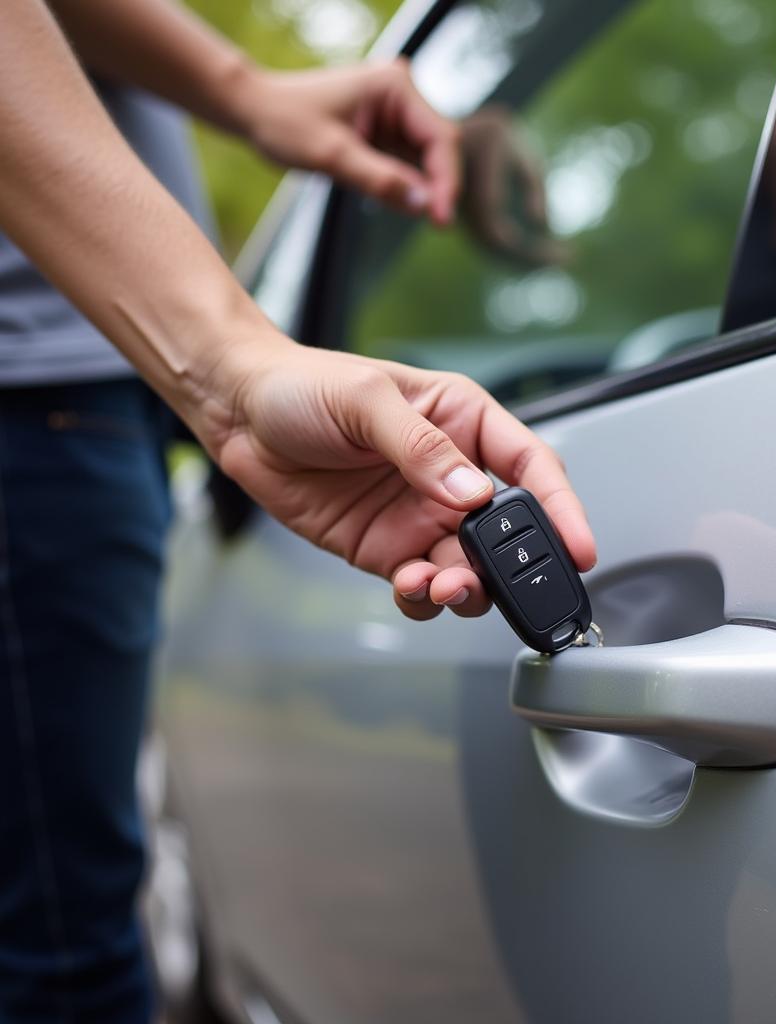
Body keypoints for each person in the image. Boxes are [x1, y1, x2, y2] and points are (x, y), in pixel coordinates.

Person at [0, 1, 597, 1020]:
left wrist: (249, 96)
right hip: (37, 394)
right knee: (65, 936)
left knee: (66, 921)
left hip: (87, 387)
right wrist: (235, 365)